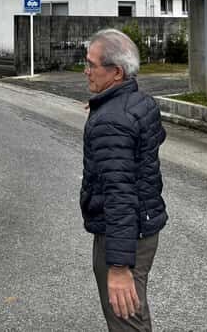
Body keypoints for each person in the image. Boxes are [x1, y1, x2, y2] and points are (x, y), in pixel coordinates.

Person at [79, 29, 168, 332]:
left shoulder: (112, 121)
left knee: (125, 316)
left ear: (116, 72)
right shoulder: (139, 102)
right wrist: (105, 104)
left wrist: (118, 267)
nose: (86, 70)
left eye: (91, 65)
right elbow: (153, 136)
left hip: (123, 234)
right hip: (142, 226)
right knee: (133, 310)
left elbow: (118, 195)